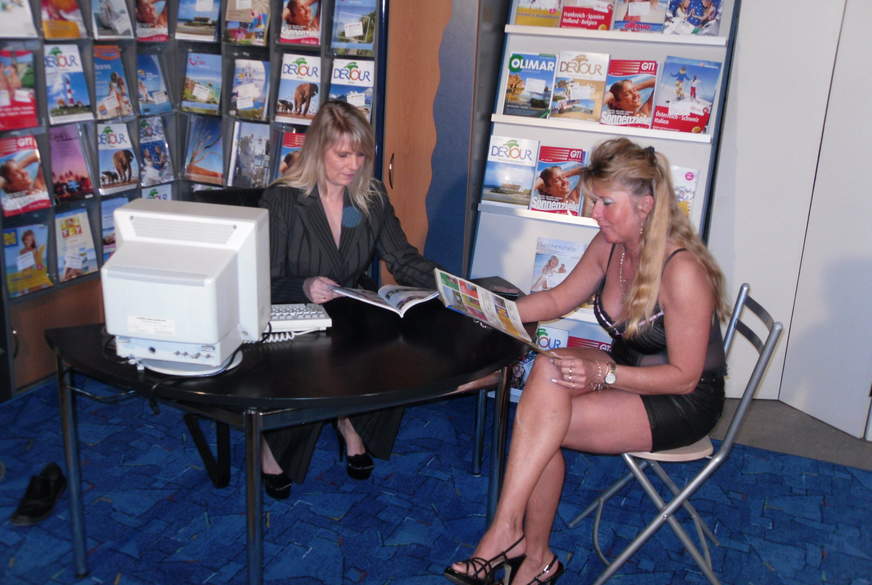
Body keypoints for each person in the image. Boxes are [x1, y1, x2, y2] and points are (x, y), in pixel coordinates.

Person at [444, 138, 728, 585]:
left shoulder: (682, 270)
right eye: (594, 201)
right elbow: (557, 299)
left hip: (681, 400)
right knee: (547, 374)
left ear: (646, 206)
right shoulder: (610, 244)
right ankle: (526, 549)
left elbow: (684, 378)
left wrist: (605, 373)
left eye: (605, 202)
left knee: (540, 427)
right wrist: (491, 311)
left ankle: (513, 538)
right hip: (624, 374)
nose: (594, 213)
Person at [258, 100, 438, 499]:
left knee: (398, 345)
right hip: (295, 307)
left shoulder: (370, 196)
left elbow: (402, 259)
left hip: (350, 303)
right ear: (317, 150)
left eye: (360, 154)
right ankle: (271, 444)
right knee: (310, 359)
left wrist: (451, 285)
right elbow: (259, 279)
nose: (354, 165)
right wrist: (304, 286)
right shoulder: (282, 200)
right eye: (343, 155)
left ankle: (352, 422)